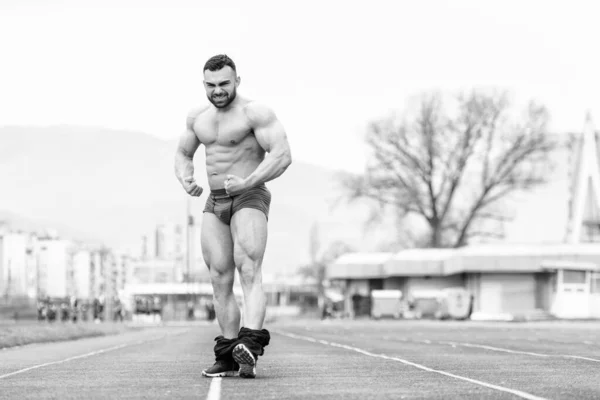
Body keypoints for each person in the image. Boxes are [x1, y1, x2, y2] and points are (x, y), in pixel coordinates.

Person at [174, 54, 292, 379]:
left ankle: (250, 345)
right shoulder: (197, 117)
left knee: (248, 268)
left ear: (237, 81)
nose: (218, 90)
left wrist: (248, 181)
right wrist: (185, 177)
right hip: (215, 200)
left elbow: (282, 155)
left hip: (249, 195)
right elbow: (184, 153)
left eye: (224, 83)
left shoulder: (255, 113)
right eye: (211, 85)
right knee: (218, 277)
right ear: (204, 85)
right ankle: (228, 354)